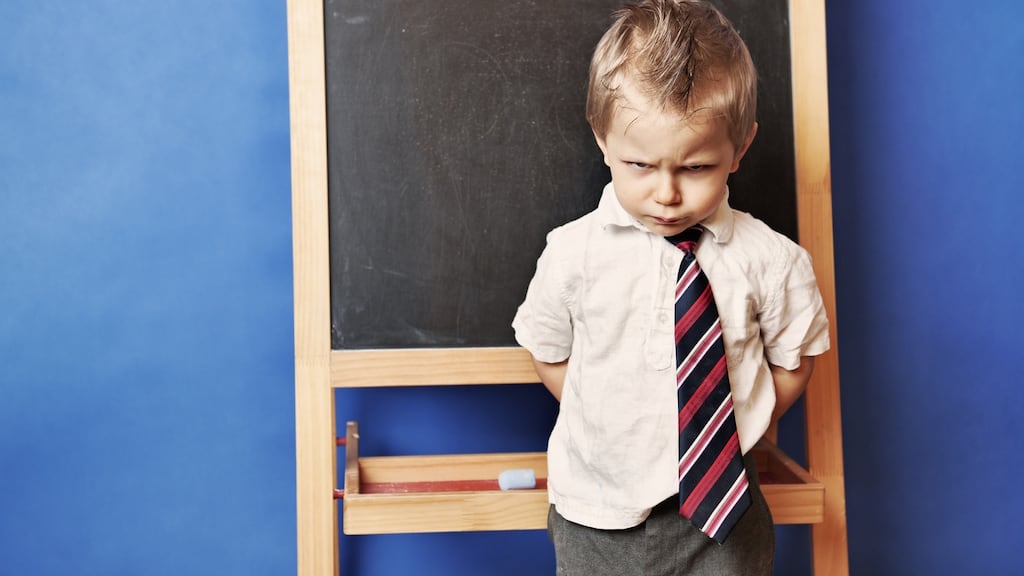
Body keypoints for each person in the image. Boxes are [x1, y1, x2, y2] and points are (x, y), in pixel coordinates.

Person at [511, 1, 831, 574]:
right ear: (602, 140)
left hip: (724, 516)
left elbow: (793, 361)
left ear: (740, 148)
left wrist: (726, 430)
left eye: (695, 168)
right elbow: (549, 351)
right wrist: (613, 420)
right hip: (596, 511)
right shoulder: (573, 254)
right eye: (639, 165)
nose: (666, 193)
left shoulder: (774, 262)